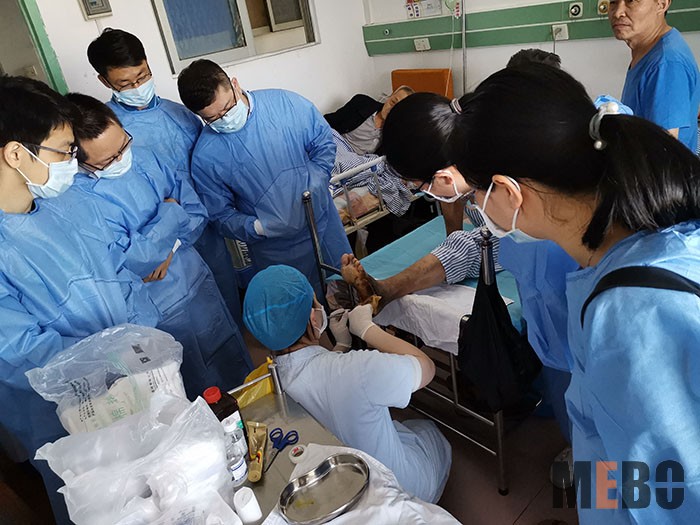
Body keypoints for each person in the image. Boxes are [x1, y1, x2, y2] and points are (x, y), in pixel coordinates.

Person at [449, 63, 700, 523]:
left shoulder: (632, 318)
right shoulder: (641, 243)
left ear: (508, 191)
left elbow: (670, 500)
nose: (476, 208)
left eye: (475, 196)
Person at [0, 76, 160, 524]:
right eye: (64, 151)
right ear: (17, 154)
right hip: (65, 417)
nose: (73, 163)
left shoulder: (67, 206)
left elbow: (117, 274)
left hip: (129, 381)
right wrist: (110, 362)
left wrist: (141, 345)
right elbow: (20, 351)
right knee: (105, 506)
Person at [67, 93, 252, 399]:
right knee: (189, 385)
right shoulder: (77, 201)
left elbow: (195, 211)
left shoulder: (145, 157)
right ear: (79, 160)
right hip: (157, 309)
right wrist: (170, 211)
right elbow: (137, 261)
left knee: (232, 362)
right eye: (108, 160)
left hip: (198, 283)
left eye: (123, 145)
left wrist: (169, 245)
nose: (122, 159)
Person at [243, 265, 451, 504]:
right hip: (399, 491)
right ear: (313, 318)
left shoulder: (268, 381)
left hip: (337, 484)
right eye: (315, 302)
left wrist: (341, 345)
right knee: (428, 432)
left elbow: (313, 378)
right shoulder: (359, 370)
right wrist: (367, 330)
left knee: (398, 428)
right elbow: (426, 367)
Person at [86, 29, 243, 326]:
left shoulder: (180, 115)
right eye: (125, 83)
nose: (137, 87)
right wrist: (163, 245)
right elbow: (114, 204)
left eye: (142, 76)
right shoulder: (106, 134)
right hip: (159, 251)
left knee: (226, 305)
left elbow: (210, 171)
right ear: (105, 82)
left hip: (207, 231)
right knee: (188, 325)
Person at [178, 60, 351, 298]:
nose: (225, 119)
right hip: (276, 249)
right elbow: (219, 215)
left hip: (323, 221)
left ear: (235, 84)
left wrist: (317, 178)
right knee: (299, 308)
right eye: (214, 118)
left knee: (348, 290)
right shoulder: (207, 156)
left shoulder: (285, 104)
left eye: (228, 108)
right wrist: (257, 227)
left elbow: (323, 142)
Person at [609, 0, 700, 151]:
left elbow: (663, 152)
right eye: (613, 2)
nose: (618, 13)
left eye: (631, 1)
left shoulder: (666, 63)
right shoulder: (648, 53)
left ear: (661, 4)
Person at [324, 85, 414, 155]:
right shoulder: (362, 103)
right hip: (337, 146)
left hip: (358, 163)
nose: (392, 109)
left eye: (398, 108)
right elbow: (330, 120)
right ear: (389, 97)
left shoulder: (395, 132)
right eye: (393, 102)